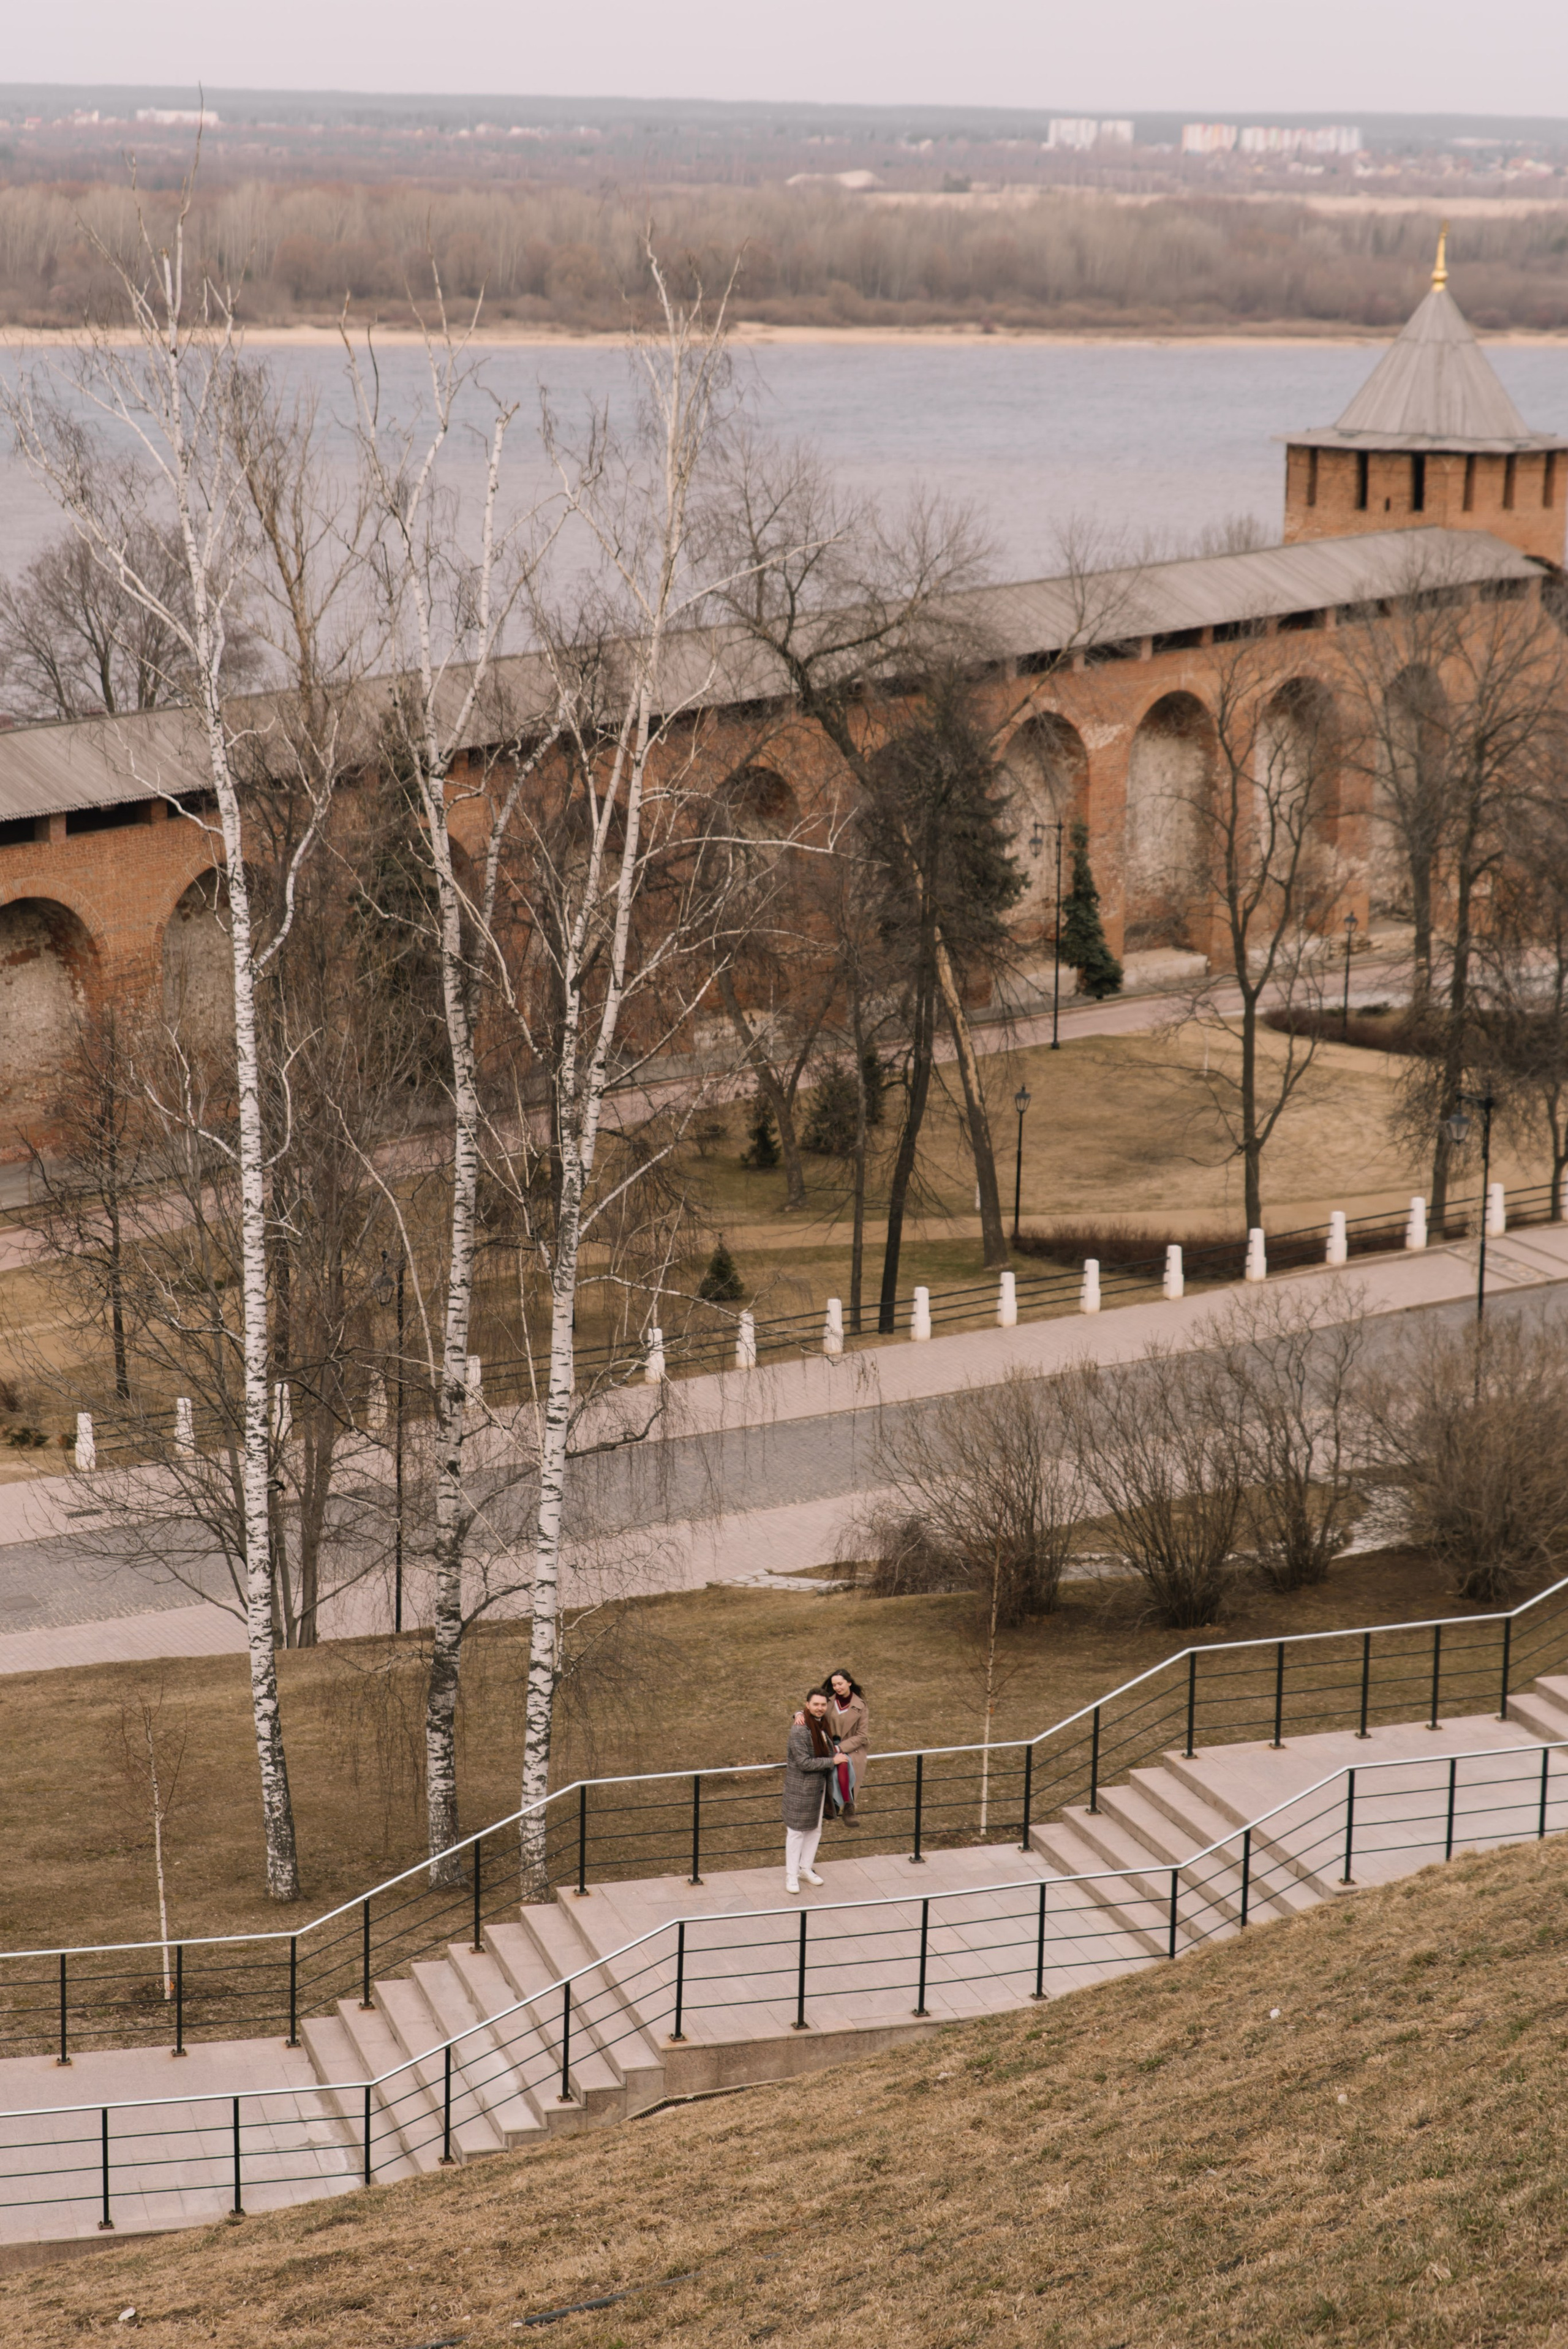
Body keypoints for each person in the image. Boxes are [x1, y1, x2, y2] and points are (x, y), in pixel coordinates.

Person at [782, 1689, 838, 1893]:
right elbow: (804, 1763)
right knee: (796, 1832)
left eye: (823, 1705)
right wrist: (832, 1761)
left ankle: (805, 1869)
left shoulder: (823, 1725)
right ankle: (791, 1875)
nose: (820, 1708)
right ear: (807, 1705)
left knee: (815, 1829)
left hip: (820, 1788)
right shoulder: (799, 1730)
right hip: (801, 1789)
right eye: (816, 1704)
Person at [820, 1669, 869, 1812]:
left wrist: (840, 1748)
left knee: (842, 1764)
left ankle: (839, 1804)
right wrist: (798, 1714)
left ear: (849, 1683)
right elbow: (812, 1708)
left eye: (840, 1684)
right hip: (829, 1745)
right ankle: (844, 1804)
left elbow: (862, 1735)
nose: (837, 1688)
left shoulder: (861, 1706)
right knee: (837, 1765)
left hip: (851, 1747)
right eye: (834, 1685)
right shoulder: (828, 1701)